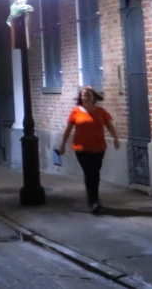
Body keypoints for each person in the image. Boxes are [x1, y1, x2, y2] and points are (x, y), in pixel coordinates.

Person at [59, 86, 120, 214]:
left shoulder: (101, 111)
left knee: (95, 173)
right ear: (81, 97)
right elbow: (68, 129)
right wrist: (63, 144)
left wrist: (115, 138)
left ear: (94, 97)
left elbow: (110, 125)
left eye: (89, 95)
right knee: (89, 172)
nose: (86, 97)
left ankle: (94, 199)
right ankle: (93, 201)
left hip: (98, 147)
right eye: (84, 95)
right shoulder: (75, 111)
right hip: (81, 148)